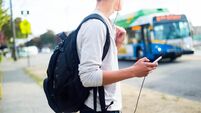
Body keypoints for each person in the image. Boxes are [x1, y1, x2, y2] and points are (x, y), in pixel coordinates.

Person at [76, 0, 158, 113]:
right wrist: (133, 71)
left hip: (105, 106)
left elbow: (105, 64)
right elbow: (88, 77)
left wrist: (117, 45)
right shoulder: (96, 25)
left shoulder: (103, 22)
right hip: (99, 108)